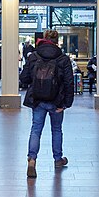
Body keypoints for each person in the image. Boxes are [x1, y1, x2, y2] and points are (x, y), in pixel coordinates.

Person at [19, 29, 74, 178]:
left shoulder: (34, 57)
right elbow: (69, 82)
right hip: (57, 101)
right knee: (56, 129)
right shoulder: (63, 59)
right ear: (57, 40)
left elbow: (24, 78)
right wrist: (67, 103)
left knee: (36, 129)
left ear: (43, 39)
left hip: (38, 100)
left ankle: (32, 159)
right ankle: (57, 159)